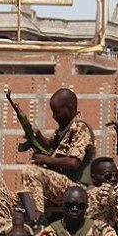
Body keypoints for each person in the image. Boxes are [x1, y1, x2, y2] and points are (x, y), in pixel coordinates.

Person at [20, 88, 95, 220]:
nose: (54, 116)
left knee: (30, 172)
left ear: (70, 108)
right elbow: (49, 145)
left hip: (77, 188)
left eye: (57, 112)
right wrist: (35, 134)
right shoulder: (64, 129)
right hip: (62, 184)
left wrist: (46, 160)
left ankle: (37, 220)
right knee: (20, 197)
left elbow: (73, 162)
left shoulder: (80, 127)